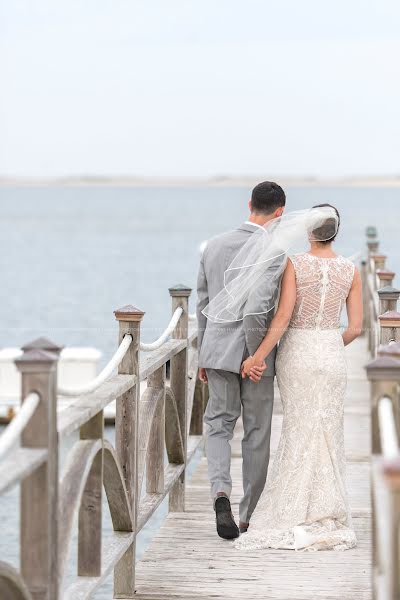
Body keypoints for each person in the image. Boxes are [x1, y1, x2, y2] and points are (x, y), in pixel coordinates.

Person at [235, 203, 362, 551]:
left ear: (309, 231)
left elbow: (283, 318)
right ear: (336, 231)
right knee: (327, 427)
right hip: (330, 352)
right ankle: (328, 507)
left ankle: (294, 508)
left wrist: (256, 357)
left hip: (299, 353)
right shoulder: (351, 269)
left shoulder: (295, 264)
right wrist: (329, 343)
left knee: (299, 425)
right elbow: (355, 328)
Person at [196, 181, 287, 539]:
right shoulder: (273, 249)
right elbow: (257, 309)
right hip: (255, 358)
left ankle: (220, 493)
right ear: (279, 212)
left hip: (216, 350)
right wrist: (254, 356)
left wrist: (203, 354)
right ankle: (248, 514)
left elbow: (202, 306)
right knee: (256, 431)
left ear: (250, 204)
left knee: (218, 424)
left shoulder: (212, 246)